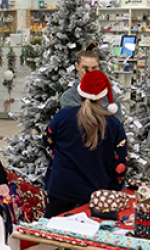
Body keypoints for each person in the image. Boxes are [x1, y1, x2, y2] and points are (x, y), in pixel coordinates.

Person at [44, 70, 127, 218]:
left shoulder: (62, 116)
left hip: (61, 188)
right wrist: (113, 190)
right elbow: (120, 164)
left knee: (53, 229)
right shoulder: (114, 124)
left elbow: (47, 140)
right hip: (98, 196)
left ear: (80, 93)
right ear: (102, 97)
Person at [59, 47, 123, 121]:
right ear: (77, 67)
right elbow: (74, 122)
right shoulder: (69, 96)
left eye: (94, 68)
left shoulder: (108, 93)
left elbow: (118, 121)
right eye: (85, 68)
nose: (89, 72)